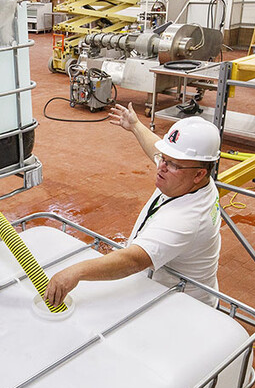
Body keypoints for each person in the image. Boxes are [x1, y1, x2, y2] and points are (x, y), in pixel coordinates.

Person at [45, 104, 222, 306]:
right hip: (170, 288)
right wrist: (136, 126)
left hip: (184, 306)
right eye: (163, 158)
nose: (161, 167)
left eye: (171, 163)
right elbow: (156, 149)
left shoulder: (186, 219)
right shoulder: (188, 178)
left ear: (199, 174)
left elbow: (133, 260)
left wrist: (75, 272)